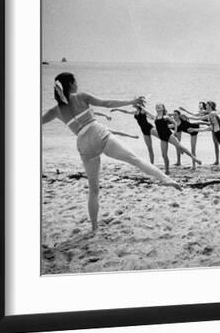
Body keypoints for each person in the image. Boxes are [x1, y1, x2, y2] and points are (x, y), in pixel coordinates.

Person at [41, 72, 181, 235]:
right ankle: (166, 179)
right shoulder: (81, 96)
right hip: (97, 132)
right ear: (71, 84)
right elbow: (107, 103)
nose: (77, 84)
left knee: (93, 190)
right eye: (76, 82)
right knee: (134, 159)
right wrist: (132, 101)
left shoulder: (55, 110)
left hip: (83, 143)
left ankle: (94, 227)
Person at [149, 103, 202, 174]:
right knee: (164, 155)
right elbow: (147, 113)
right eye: (157, 106)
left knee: (180, 146)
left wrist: (175, 132)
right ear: (155, 109)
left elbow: (175, 123)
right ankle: (167, 171)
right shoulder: (155, 117)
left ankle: (195, 158)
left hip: (169, 135)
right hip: (162, 138)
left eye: (160, 106)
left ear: (163, 108)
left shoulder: (166, 117)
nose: (158, 106)